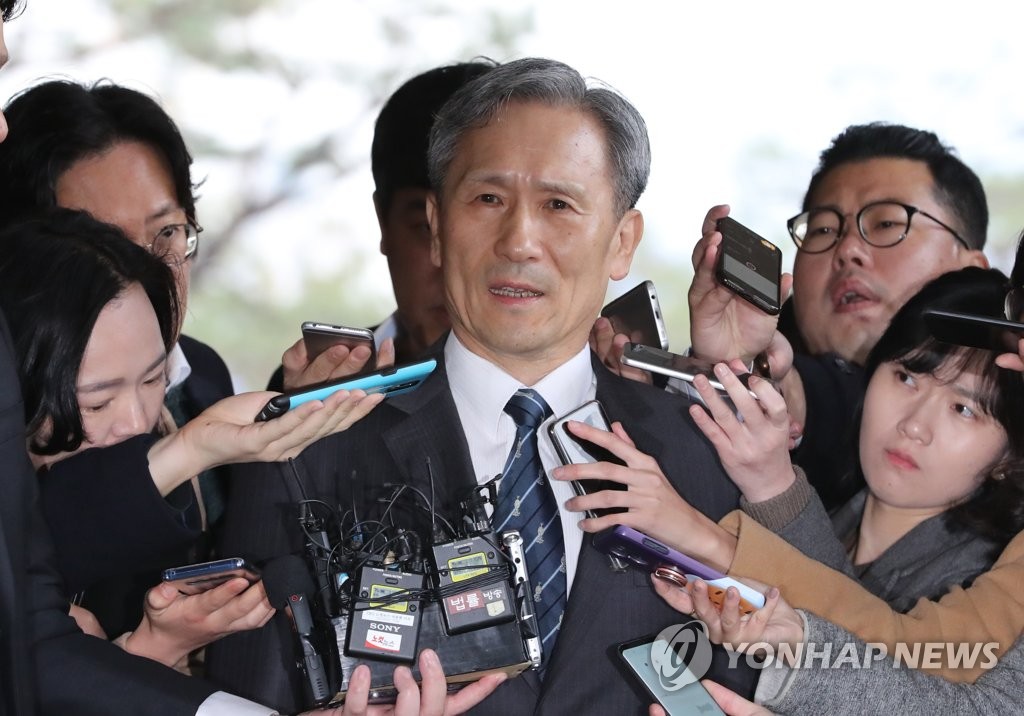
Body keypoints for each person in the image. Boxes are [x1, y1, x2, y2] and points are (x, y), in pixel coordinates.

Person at [210, 57, 753, 714]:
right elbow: (242, 697)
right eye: (488, 199)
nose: (519, 241)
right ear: (437, 227)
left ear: (621, 242)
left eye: (558, 205)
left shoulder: (702, 453)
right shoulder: (306, 448)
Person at [677, 123, 991, 511]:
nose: (847, 250)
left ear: (970, 270)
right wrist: (742, 371)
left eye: (887, 223)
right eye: (824, 229)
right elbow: (810, 389)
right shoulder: (777, 359)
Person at [685, 266, 1024, 610]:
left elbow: (861, 639)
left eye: (963, 409)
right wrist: (725, 365)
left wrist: (772, 493)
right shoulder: (829, 508)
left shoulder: (985, 589)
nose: (914, 426)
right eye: (906, 378)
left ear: (1009, 456)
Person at [271, 60, 496, 391]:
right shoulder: (311, 386)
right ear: (383, 222)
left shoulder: (575, 391)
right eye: (426, 227)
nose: (451, 267)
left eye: (482, 227)